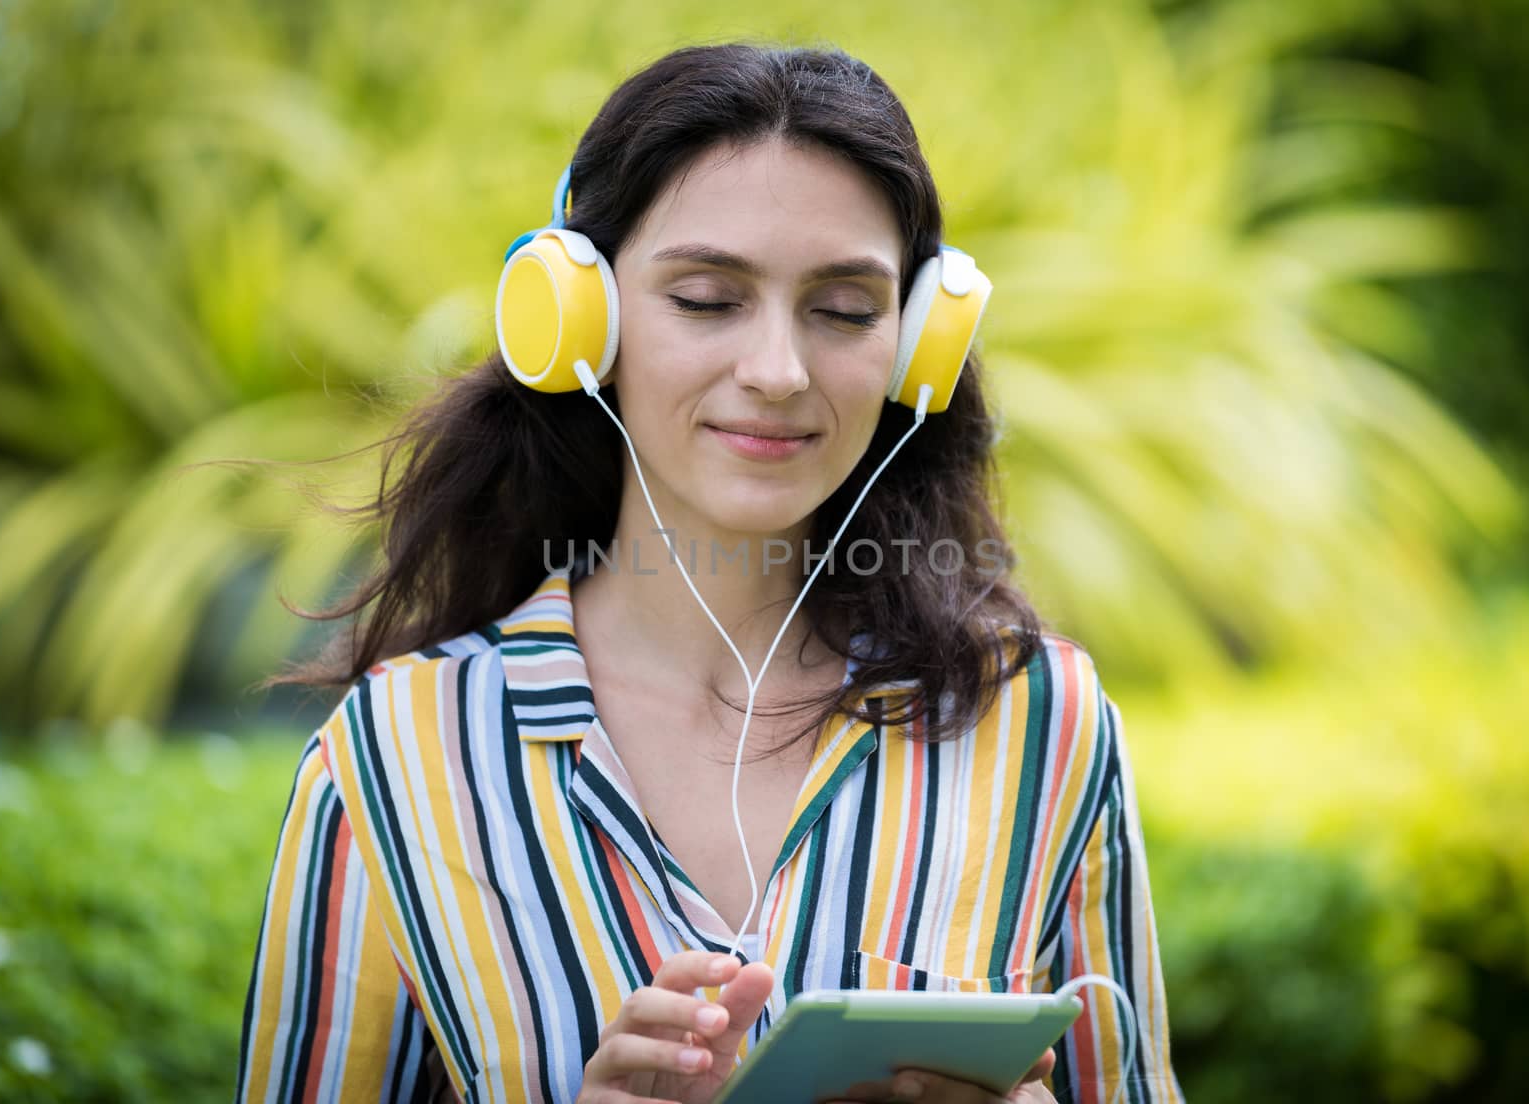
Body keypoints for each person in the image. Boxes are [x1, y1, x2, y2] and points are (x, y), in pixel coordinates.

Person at [235, 42, 1183, 1104]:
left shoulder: (1039, 723)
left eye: (844, 310)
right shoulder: (397, 759)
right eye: (705, 297)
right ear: (579, 320)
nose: (777, 372)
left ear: (918, 346)